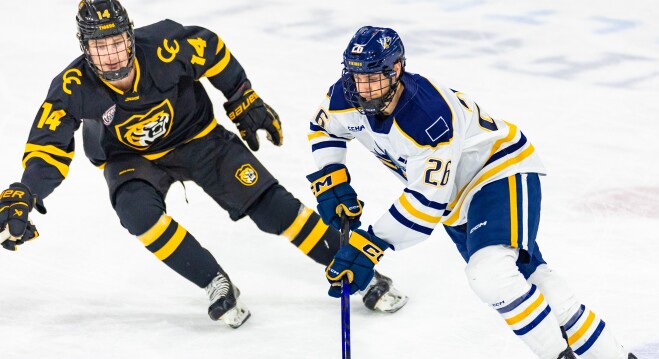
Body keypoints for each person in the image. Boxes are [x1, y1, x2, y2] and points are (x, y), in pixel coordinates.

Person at [306, 26, 659, 359]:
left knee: (490, 274)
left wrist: (370, 244)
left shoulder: (427, 114)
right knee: (535, 283)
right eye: (357, 75)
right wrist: (331, 177)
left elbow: (426, 203)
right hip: (457, 202)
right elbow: (324, 128)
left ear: (397, 69)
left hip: (499, 172)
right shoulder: (345, 96)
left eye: (373, 76)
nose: (364, 87)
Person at [0, 1, 406, 329]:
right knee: (136, 212)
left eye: (117, 42)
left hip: (198, 138)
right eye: (99, 47)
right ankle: (214, 281)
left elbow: (211, 49)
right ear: (84, 48)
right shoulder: (71, 86)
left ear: (130, 35)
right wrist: (26, 191)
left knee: (273, 208)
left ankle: (358, 271)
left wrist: (242, 97)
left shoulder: (164, 45)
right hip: (131, 158)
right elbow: (47, 148)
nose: (111, 56)